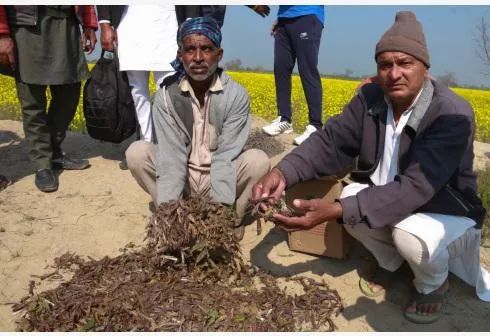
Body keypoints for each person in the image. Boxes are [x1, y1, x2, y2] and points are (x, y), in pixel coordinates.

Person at [252, 11, 490, 323]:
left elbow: (415, 187)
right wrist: (281, 172)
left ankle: (434, 283)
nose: (394, 74)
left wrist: (336, 210)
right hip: (390, 202)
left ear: (425, 68)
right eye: (385, 65)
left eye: (405, 63)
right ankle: (390, 263)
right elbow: (330, 142)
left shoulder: (451, 113)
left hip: (446, 213)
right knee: (352, 199)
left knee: (404, 232)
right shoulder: (371, 98)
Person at [126, 17, 270, 240]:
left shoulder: (236, 96)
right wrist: (169, 210)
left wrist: (218, 211)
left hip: (222, 176)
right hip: (184, 178)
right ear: (180, 55)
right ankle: (171, 215)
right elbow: (171, 156)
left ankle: (232, 219)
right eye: (190, 49)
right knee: (136, 153)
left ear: (219, 55)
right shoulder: (166, 96)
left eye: (206, 49)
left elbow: (227, 156)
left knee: (258, 161)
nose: (198, 58)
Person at [0, 5, 97, 192]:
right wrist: (2, 34)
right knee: (32, 101)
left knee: (70, 93)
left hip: (67, 25)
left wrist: (89, 25)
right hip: (27, 28)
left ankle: (53, 153)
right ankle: (42, 164)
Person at [97, 5, 178, 144]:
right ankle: (146, 143)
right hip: (130, 21)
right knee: (137, 90)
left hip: (167, 22)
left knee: (168, 89)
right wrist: (105, 24)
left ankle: (168, 144)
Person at [262, 5, 325, 145]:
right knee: (281, 68)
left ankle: (315, 125)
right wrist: (280, 18)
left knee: (307, 70)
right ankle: (284, 119)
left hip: (308, 15)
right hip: (284, 18)